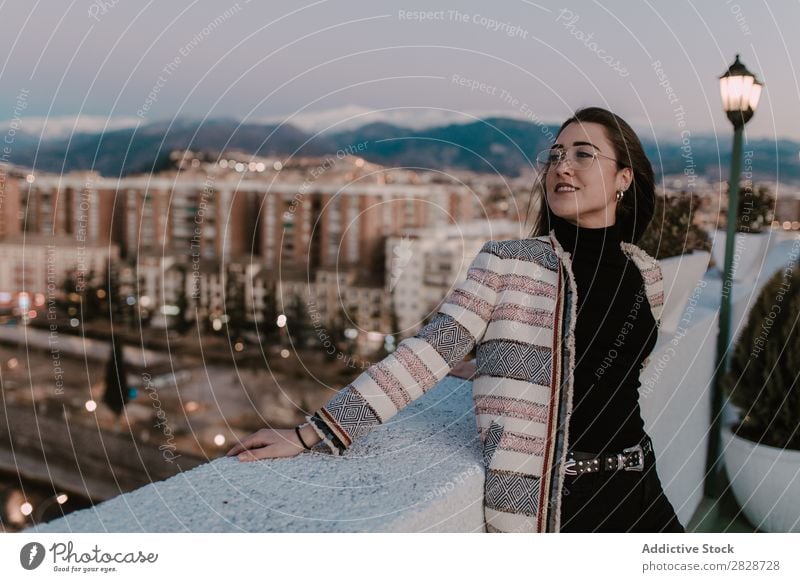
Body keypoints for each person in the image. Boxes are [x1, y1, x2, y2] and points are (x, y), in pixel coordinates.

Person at [226, 107, 685, 533]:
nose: (562, 166)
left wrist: (498, 367)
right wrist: (313, 433)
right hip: (556, 504)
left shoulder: (647, 274)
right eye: (556, 156)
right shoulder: (507, 263)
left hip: (640, 482)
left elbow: (612, 370)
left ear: (623, 176)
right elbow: (427, 354)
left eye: (584, 155)